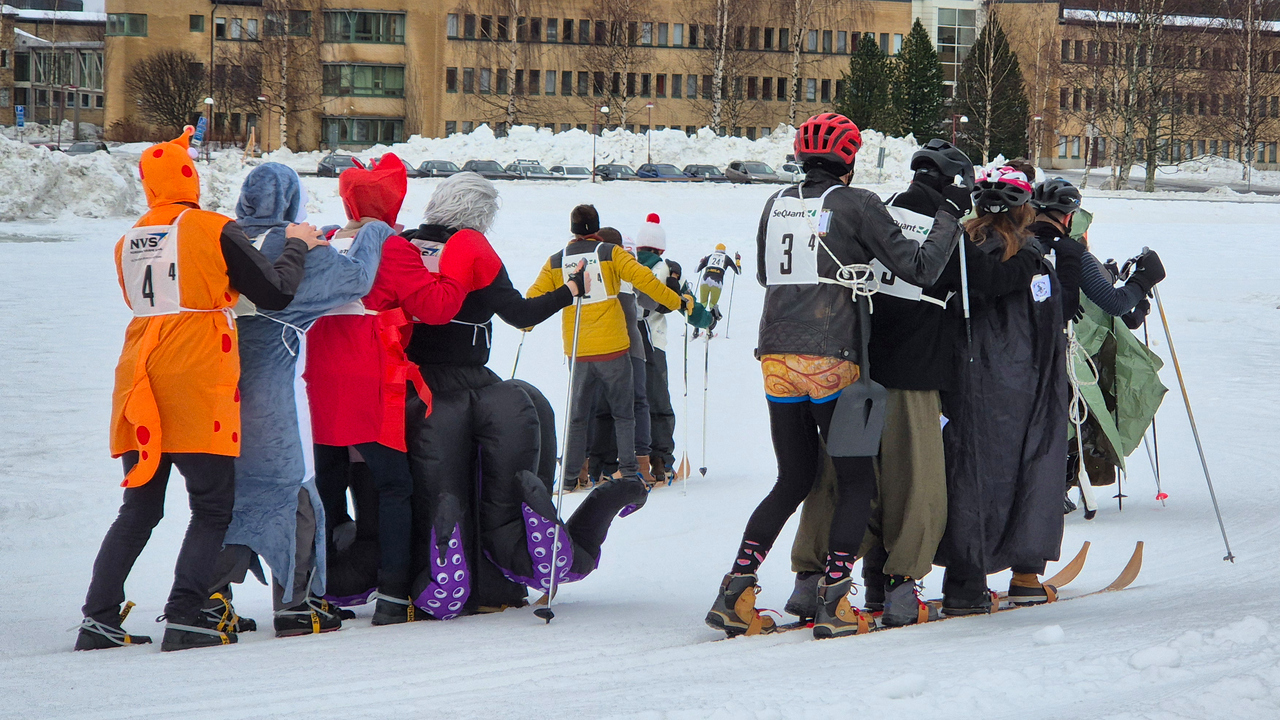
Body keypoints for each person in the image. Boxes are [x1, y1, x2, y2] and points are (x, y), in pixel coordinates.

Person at [705, 113, 964, 639]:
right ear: (848, 159)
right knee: (855, 481)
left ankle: (736, 589)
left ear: (801, 156)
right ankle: (835, 601)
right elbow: (918, 267)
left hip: (775, 354)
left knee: (793, 478)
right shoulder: (858, 202)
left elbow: (764, 273)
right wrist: (950, 217)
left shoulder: (774, 203)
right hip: (832, 358)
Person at [76, 128, 326, 652]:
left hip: (138, 372)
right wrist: (298, 247)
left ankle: (97, 618)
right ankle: (187, 615)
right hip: (194, 374)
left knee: (139, 508)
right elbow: (276, 293)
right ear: (190, 175)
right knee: (212, 504)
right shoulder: (213, 227)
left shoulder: (128, 238)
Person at [784, 139, 1046, 628]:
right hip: (915, 373)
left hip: (855, 365)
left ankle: (809, 578)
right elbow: (987, 280)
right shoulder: (943, 229)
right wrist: (1034, 255)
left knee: (843, 479)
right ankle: (903, 591)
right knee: (916, 485)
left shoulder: (880, 212)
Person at [394, 173, 645, 616]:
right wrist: (569, 292)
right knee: (519, 426)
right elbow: (518, 313)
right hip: (464, 378)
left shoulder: (407, 243)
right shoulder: (472, 249)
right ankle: (500, 570)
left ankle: (400, 579)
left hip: (406, 380)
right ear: (482, 215)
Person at [209, 163, 387, 638]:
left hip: (215, 393)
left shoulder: (219, 240)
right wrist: (374, 232)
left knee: (223, 499)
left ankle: (210, 600)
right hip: (271, 397)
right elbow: (358, 280)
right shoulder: (299, 250)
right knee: (291, 493)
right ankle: (295, 604)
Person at [305, 153, 477, 625]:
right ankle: (394, 593)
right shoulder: (392, 247)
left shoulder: (322, 241)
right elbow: (437, 307)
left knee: (327, 485)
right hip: (370, 374)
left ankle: (320, 587)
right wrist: (459, 269)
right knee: (394, 484)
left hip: (320, 374)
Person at [935, 166, 1069, 615]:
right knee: (1035, 469)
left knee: (967, 475)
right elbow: (1048, 327)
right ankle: (1025, 575)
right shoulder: (1031, 260)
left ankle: (965, 578)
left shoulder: (957, 254)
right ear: (1025, 210)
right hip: (1023, 387)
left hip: (964, 383)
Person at [527, 205, 694, 497]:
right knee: (624, 413)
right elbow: (645, 281)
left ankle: (569, 478)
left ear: (573, 229)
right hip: (613, 347)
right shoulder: (610, 253)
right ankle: (629, 471)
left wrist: (526, 322)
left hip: (578, 348)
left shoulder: (557, 260)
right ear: (596, 227)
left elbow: (533, 297)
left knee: (578, 415)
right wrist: (677, 300)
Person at [1028, 179, 1167, 507]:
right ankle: (1053, 490)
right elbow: (1115, 303)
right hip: (1053, 353)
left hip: (1009, 349)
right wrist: (1143, 279)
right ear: (1069, 217)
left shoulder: (1010, 241)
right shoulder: (1070, 251)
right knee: (1062, 419)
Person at [583, 228, 659, 487]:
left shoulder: (622, 270)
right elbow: (653, 301)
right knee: (619, 406)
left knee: (615, 406)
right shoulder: (600, 271)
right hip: (612, 348)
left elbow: (652, 300)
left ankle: (628, 466)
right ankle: (608, 466)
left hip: (617, 348)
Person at [692, 243, 740, 337]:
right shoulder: (726, 258)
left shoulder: (710, 256)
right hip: (717, 283)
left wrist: (701, 262)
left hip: (704, 281)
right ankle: (709, 331)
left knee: (702, 305)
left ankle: (696, 330)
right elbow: (738, 271)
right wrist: (737, 260)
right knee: (712, 306)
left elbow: (696, 270)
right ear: (724, 251)